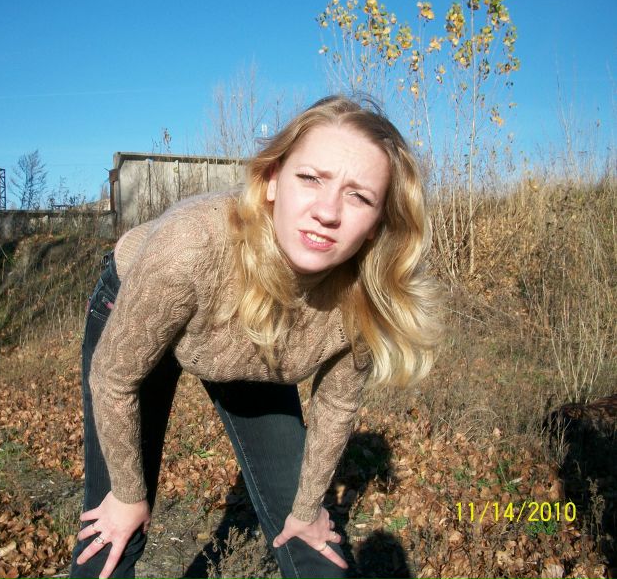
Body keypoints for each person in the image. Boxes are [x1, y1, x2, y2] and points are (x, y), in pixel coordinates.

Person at [70, 95, 443, 579]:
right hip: (140, 308)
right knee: (115, 530)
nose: (328, 211)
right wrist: (127, 495)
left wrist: (306, 510)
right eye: (311, 178)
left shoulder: (363, 297)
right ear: (272, 180)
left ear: (377, 225)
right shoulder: (189, 246)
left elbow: (336, 405)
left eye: (359, 197)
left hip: (251, 343)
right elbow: (114, 379)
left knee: (309, 535)